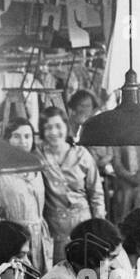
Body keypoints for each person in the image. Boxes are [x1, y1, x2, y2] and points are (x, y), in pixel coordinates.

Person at [36, 106, 105, 261]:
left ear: (66, 127)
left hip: (83, 223)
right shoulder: (38, 157)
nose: (54, 132)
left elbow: (96, 194)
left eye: (58, 126)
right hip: (55, 228)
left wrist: (99, 226)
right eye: (48, 128)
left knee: (86, 268)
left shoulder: (82, 155)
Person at [0, 118, 52, 275]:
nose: (23, 141)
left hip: (38, 238)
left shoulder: (36, 166)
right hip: (11, 239)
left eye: (27, 136)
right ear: (7, 140)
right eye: (17, 136)